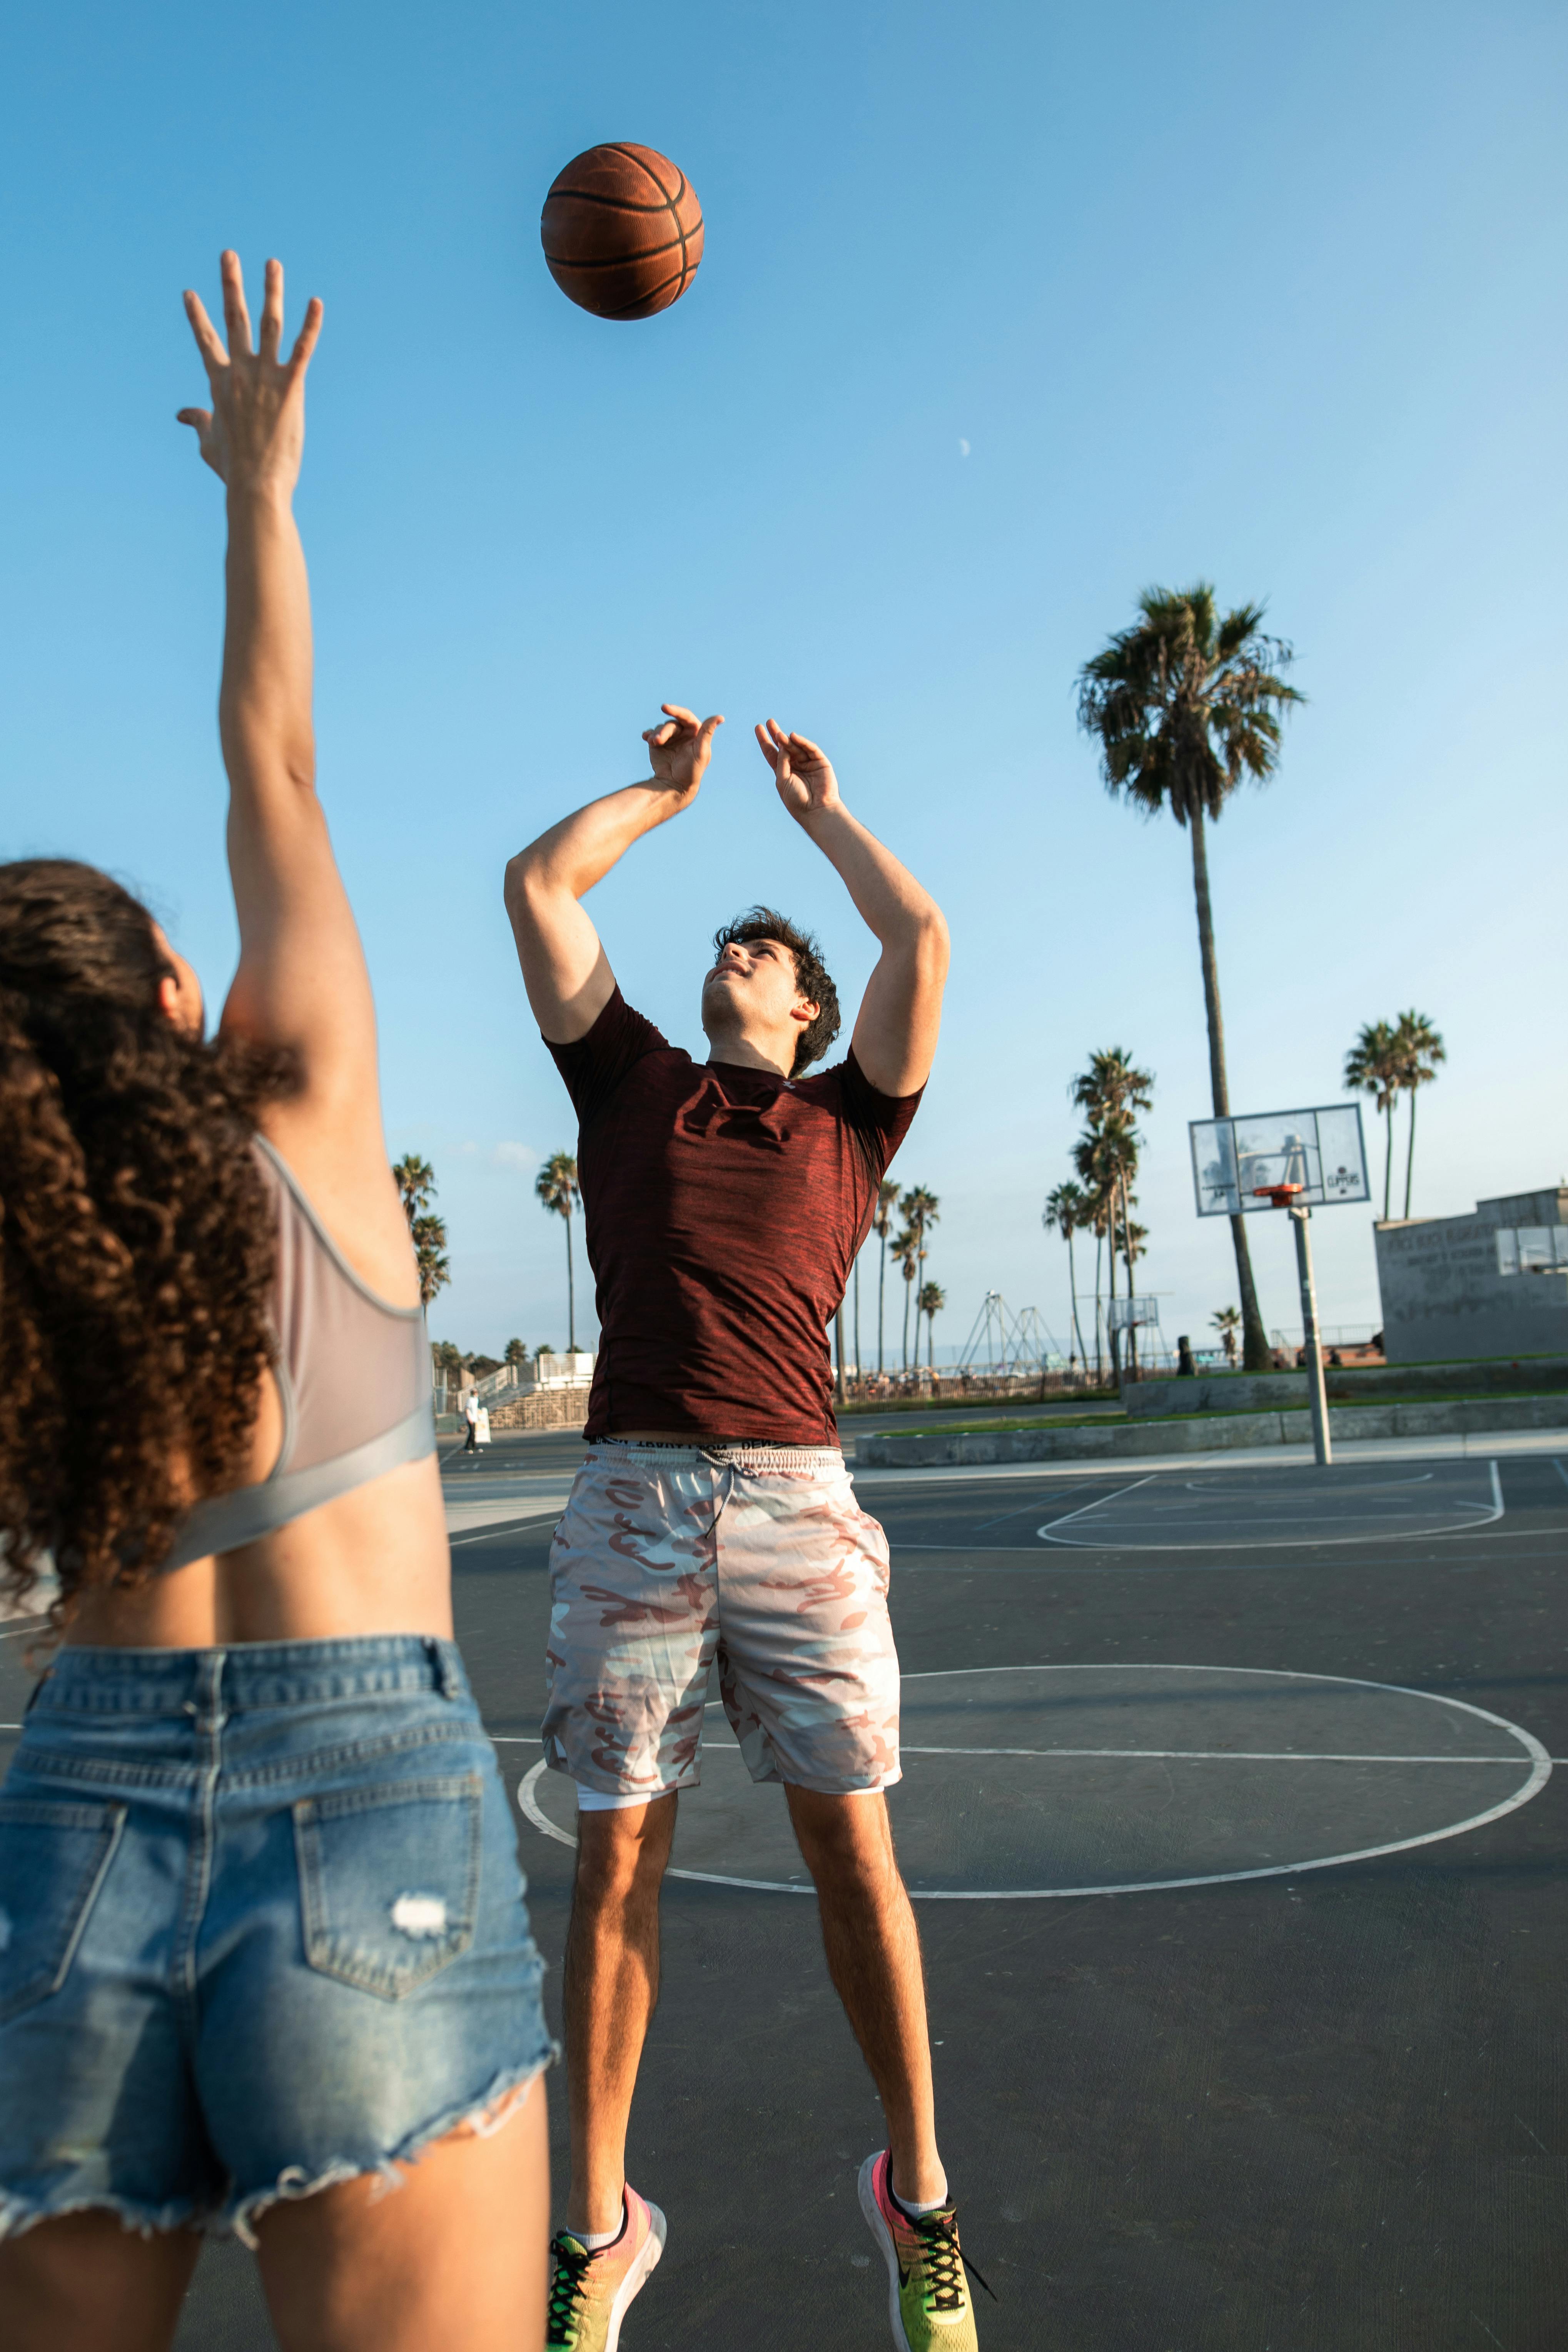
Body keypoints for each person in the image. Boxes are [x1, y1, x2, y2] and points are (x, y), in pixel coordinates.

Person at [0, 255, 551, 2352]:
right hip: (367, 1795)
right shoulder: (304, 1109)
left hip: (70, 1817)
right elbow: (281, 767)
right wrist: (258, 488)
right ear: (171, 1000)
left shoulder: (21, 1274)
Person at [505, 707, 988, 2352]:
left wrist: (822, 819)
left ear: (803, 1005)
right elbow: (536, 887)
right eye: (726, 944)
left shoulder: (854, 1120)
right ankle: (598, 2232)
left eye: (766, 950)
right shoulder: (628, 1081)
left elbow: (918, 932)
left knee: (852, 1845)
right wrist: (662, 796)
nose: (737, 954)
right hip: (632, 1497)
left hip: (794, 1500)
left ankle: (916, 2202)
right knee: (611, 1860)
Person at [463, 1382, 482, 1454]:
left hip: (475, 1419)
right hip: (470, 1419)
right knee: (471, 1433)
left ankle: (474, 1446)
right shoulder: (470, 1400)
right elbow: (467, 1410)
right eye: (476, 1392)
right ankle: (467, 1447)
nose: (477, 1393)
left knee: (473, 1433)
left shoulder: (476, 1400)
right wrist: (470, 1419)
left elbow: (475, 1409)